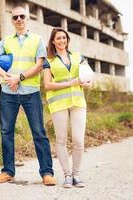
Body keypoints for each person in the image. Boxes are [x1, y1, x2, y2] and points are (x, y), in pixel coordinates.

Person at [0, 6, 56, 186]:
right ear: (12, 20)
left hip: (30, 93)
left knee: (39, 133)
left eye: (22, 16)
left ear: (28, 19)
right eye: (15, 17)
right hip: (8, 92)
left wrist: (19, 77)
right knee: (6, 132)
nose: (19, 19)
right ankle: (8, 171)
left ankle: (47, 172)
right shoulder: (5, 41)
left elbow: (40, 64)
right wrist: (6, 77)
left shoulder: (37, 40)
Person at [43, 27, 92, 188]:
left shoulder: (78, 57)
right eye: (58, 38)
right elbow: (47, 85)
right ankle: (67, 175)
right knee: (61, 140)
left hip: (78, 102)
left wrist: (88, 83)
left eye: (64, 37)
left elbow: (89, 78)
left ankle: (76, 174)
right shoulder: (48, 60)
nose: (61, 40)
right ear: (53, 41)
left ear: (67, 40)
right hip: (58, 104)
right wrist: (70, 83)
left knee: (78, 140)